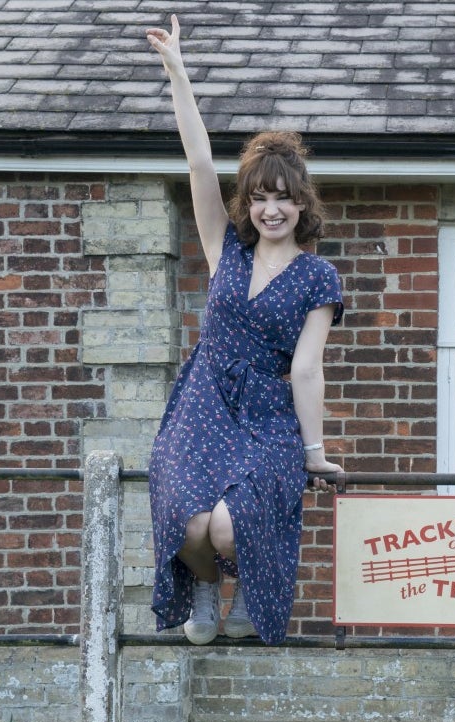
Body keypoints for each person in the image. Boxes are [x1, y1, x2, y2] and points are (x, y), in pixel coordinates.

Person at [145, 18, 344, 645]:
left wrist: (313, 453)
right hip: (203, 401)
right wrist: (177, 70)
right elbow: (199, 161)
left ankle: (244, 594)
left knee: (229, 527)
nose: (272, 209)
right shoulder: (224, 248)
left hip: (266, 411)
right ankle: (205, 586)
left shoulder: (318, 277)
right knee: (191, 523)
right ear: (248, 202)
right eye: (260, 197)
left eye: (283, 197)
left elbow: (307, 368)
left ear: (301, 203)